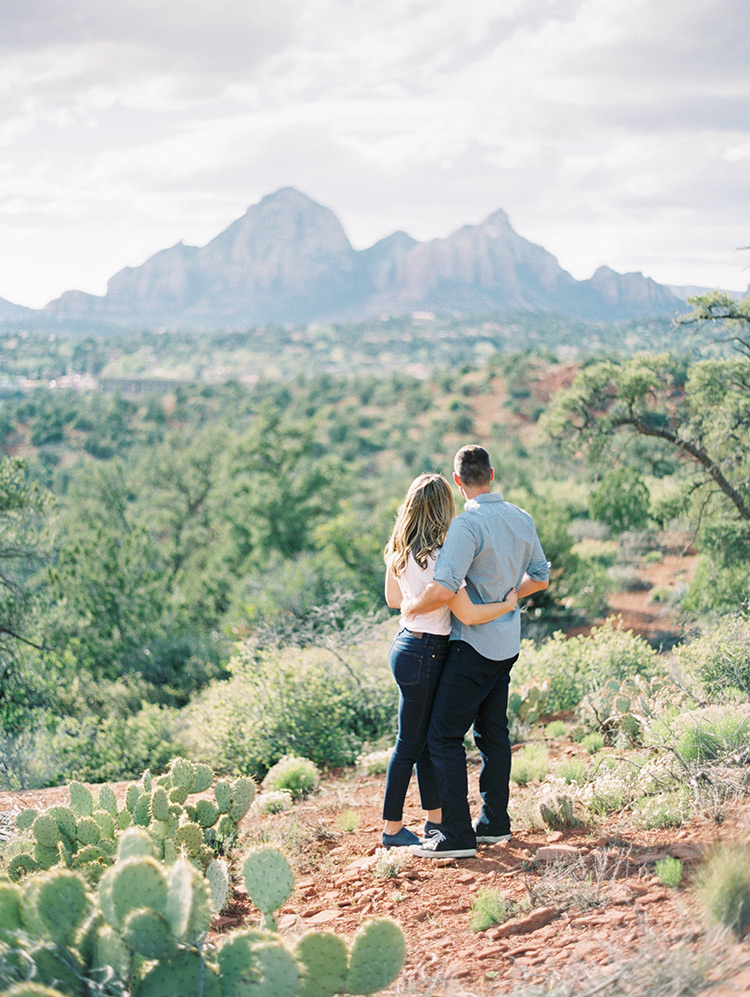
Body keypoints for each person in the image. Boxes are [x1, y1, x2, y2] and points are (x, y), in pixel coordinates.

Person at [402, 446, 550, 859]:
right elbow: (540, 577)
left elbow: (444, 589)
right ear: (492, 474)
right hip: (507, 646)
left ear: (457, 481)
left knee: (441, 736)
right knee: (492, 734)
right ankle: (494, 824)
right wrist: (509, 598)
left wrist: (410, 607)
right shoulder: (522, 518)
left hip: (473, 647)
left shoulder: (467, 526)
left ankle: (456, 835)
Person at [381, 472, 518, 848]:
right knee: (410, 744)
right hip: (428, 651)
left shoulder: (398, 548)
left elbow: (395, 600)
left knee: (421, 742)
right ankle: (391, 830)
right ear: (444, 508)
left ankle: (434, 821)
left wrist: (416, 601)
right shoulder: (441, 557)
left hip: (407, 644)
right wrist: (505, 605)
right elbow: (469, 615)